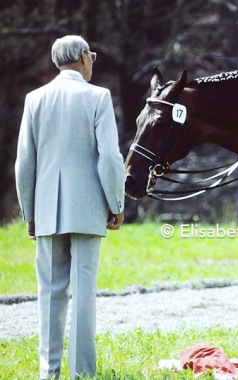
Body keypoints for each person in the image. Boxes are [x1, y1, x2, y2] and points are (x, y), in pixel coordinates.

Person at [15, 35, 125, 379]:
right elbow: (109, 156)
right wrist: (116, 202)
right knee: (84, 293)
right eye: (91, 55)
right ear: (82, 56)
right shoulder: (98, 96)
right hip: (88, 207)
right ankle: (82, 372)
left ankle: (49, 372)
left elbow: (24, 162)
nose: (92, 61)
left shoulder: (35, 98)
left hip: (46, 208)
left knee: (49, 293)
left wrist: (29, 212)